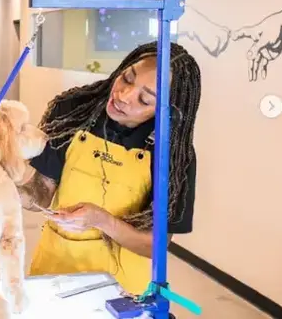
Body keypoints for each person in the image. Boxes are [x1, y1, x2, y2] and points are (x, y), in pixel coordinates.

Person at [18, 42, 201, 295]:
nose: (123, 96)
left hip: (122, 288)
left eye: (145, 99)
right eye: (127, 78)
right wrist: (2, 181)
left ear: (166, 111)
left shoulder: (173, 154)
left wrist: (102, 221)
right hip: (57, 268)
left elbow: (154, 246)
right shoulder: (73, 112)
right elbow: (41, 194)